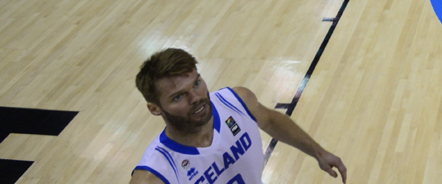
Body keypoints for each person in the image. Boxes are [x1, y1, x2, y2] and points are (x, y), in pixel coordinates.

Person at [130, 48, 346, 183]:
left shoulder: (236, 101)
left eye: (197, 83)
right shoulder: (155, 175)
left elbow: (270, 120)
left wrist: (318, 152)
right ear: (154, 109)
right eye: (178, 97)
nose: (196, 97)